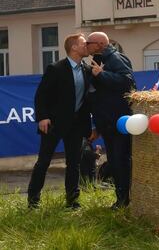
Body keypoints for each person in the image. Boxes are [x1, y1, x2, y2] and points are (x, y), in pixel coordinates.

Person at [27, 33, 92, 209]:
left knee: (74, 163)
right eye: (83, 43)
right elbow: (41, 95)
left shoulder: (87, 70)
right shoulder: (56, 68)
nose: (86, 45)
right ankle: (33, 201)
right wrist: (42, 117)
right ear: (74, 47)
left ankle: (72, 201)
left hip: (76, 125)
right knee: (44, 162)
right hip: (54, 124)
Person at [87, 31, 136, 209]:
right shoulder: (101, 59)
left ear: (99, 44)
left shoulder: (115, 58)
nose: (86, 46)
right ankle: (121, 199)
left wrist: (102, 75)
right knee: (115, 160)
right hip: (107, 122)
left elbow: (128, 82)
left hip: (119, 121)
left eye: (88, 43)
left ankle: (124, 200)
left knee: (120, 160)